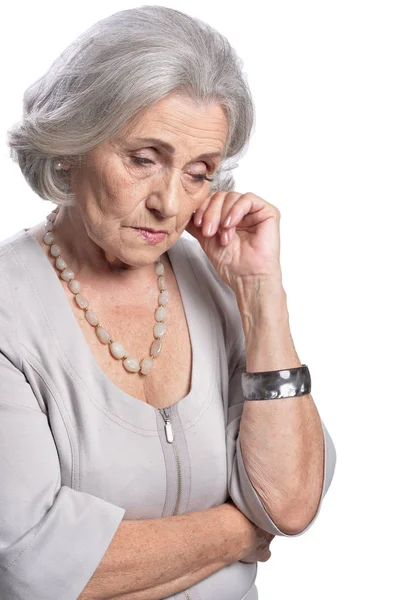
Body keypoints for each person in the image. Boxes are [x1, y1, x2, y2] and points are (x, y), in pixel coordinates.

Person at [0, 6, 337, 600]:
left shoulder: (217, 280)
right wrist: (239, 529)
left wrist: (261, 297)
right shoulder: (9, 308)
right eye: (143, 159)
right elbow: (34, 565)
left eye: (199, 172)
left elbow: (290, 501)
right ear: (71, 143)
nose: (168, 203)